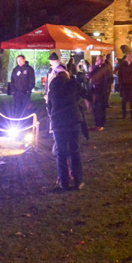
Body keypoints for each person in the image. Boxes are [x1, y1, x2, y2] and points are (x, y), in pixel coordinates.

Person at [45, 53, 84, 190]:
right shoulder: (72, 84)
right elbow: (84, 93)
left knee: (61, 152)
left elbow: (49, 106)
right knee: (74, 150)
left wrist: (52, 117)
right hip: (73, 120)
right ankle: (78, 181)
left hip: (58, 122)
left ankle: (64, 182)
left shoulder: (53, 88)